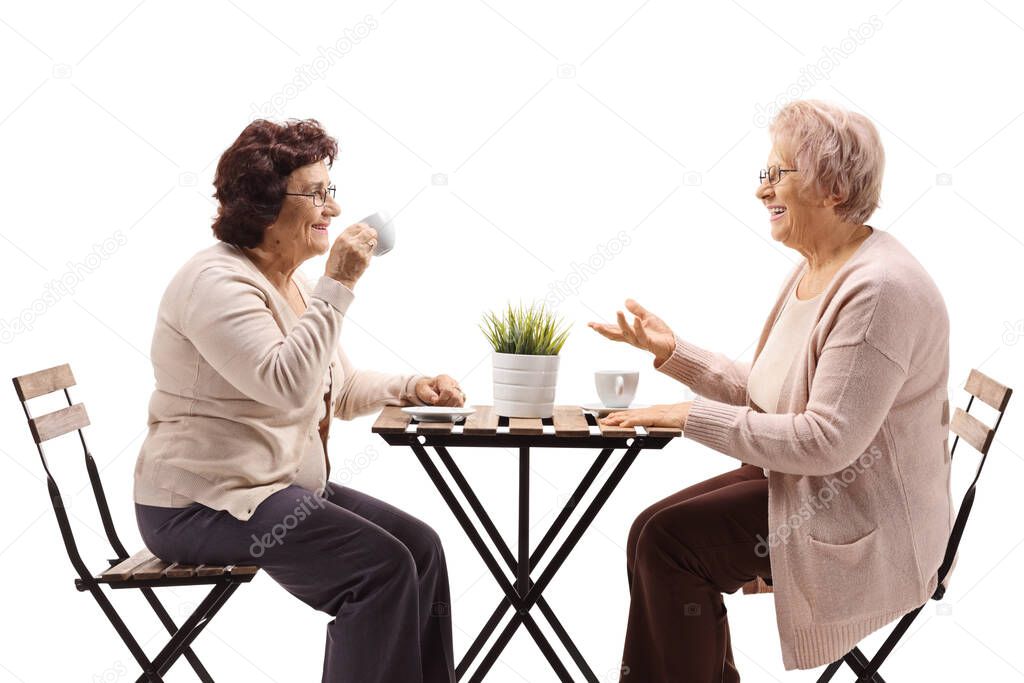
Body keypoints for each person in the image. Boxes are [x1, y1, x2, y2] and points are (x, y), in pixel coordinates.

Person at [590, 100, 953, 681]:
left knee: (669, 543)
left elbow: (824, 442)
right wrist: (671, 353)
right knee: (649, 532)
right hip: (815, 488)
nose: (762, 191)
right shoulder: (819, 267)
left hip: (866, 524)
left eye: (778, 173)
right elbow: (772, 397)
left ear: (833, 187)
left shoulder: (879, 291)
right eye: (766, 174)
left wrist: (688, 416)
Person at [133, 118, 462, 682]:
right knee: (379, 569)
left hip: (275, 488)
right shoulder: (217, 283)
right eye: (316, 194)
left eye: (330, 192)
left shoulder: (291, 283)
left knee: (421, 548)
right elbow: (285, 387)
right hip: (202, 506)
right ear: (263, 203)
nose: (332, 210)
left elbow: (339, 388)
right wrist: (339, 285)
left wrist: (413, 387)